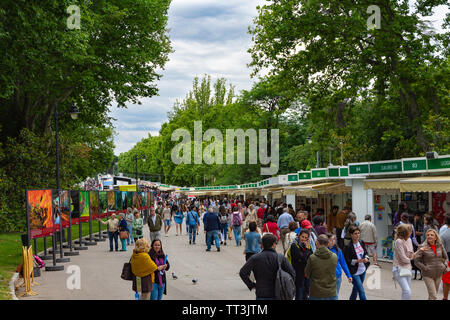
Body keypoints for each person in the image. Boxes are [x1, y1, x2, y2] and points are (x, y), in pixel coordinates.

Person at [239, 234, 295, 300]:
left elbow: (243, 272)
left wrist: (251, 285)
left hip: (261, 293)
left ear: (262, 245)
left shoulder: (255, 258)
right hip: (278, 292)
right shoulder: (280, 258)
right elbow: (292, 273)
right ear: (274, 244)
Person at [413, 229, 449, 300]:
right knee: (434, 296)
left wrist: (444, 266)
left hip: (439, 273)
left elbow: (446, 258)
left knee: (432, 295)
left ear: (435, 237)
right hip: (428, 275)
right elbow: (416, 261)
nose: (429, 236)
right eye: (428, 235)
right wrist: (425, 268)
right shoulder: (422, 247)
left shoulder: (440, 246)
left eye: (432, 235)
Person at [305, 234, 338, 300]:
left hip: (316, 293)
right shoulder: (334, 256)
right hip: (331, 292)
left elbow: (307, 274)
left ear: (317, 242)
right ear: (328, 243)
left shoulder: (312, 257)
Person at [343, 226, 370, 300]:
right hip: (354, 272)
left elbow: (366, 253)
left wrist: (366, 258)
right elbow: (347, 261)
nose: (357, 235)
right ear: (351, 235)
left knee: (356, 289)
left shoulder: (361, 243)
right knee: (361, 291)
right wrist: (357, 261)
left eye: (358, 233)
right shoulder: (348, 247)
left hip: (363, 270)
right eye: (355, 233)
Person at [392, 223, 415, 300]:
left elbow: (412, 252)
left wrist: (411, 257)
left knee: (406, 291)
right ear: (405, 232)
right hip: (398, 269)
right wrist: (410, 258)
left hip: (408, 268)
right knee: (407, 291)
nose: (411, 232)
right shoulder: (398, 241)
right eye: (410, 231)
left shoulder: (409, 240)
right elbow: (403, 258)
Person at [327, 233, 352, 298]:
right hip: (326, 277)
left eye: (334, 239)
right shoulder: (323, 250)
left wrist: (348, 275)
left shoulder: (338, 250)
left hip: (337, 276)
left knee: (335, 295)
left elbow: (343, 263)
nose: (333, 241)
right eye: (330, 240)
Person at [290, 229, 313, 300]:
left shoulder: (307, 246)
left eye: (306, 238)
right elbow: (301, 257)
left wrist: (307, 249)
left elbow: (311, 257)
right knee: (299, 294)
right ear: (299, 236)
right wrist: (306, 250)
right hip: (298, 274)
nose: (304, 239)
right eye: (302, 237)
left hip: (307, 274)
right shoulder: (294, 245)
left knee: (306, 294)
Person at [441, 214, 450, 300]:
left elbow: (441, 252)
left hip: (448, 260)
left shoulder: (443, 235)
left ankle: (445, 297)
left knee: (447, 281)